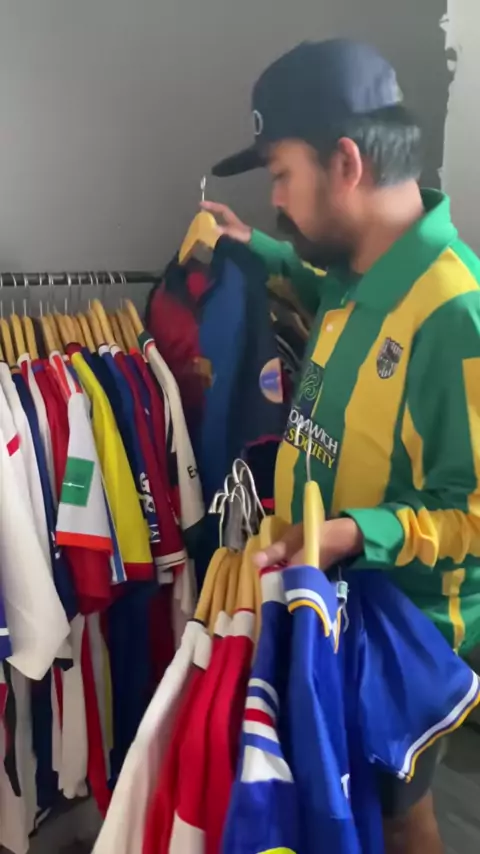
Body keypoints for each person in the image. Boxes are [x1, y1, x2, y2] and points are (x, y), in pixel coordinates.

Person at [204, 39, 480, 854]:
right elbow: (315, 281)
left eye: (282, 174)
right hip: (330, 607)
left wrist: (355, 533)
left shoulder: (454, 317)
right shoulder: (356, 272)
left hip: (403, 640)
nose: (276, 199)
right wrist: (253, 245)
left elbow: (473, 511)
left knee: (397, 820)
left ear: (348, 163)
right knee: (339, 807)